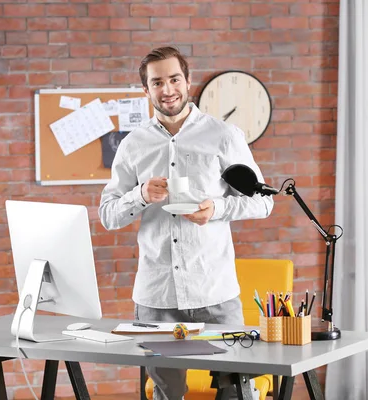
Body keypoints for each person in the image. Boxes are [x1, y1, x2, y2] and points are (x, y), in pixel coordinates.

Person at [98, 46, 273, 400]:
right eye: (157, 82)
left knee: (237, 391)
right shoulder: (133, 145)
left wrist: (217, 209)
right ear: (145, 90)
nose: (167, 89)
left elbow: (263, 201)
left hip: (216, 294)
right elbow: (108, 214)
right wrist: (141, 195)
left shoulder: (224, 136)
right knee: (166, 395)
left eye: (174, 79)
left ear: (188, 81)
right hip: (157, 297)